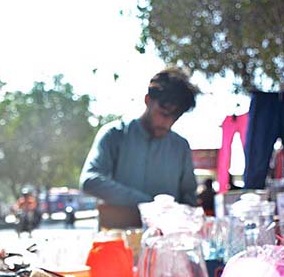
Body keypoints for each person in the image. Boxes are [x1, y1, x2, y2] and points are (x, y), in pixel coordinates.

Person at [79, 68, 199, 212]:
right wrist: (148, 205)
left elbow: (189, 198)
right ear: (147, 100)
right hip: (118, 231)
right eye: (163, 113)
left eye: (174, 117)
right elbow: (89, 180)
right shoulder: (115, 135)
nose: (167, 122)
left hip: (166, 233)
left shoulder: (180, 146)